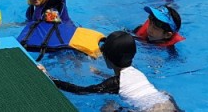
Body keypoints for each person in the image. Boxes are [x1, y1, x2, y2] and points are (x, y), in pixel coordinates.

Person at [50, 30, 178, 111]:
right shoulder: (137, 73)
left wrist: (51, 79)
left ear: (107, 58)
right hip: (167, 103)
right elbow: (126, 84)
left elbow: (80, 91)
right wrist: (100, 74)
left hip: (150, 110)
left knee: (108, 107)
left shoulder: (114, 84)